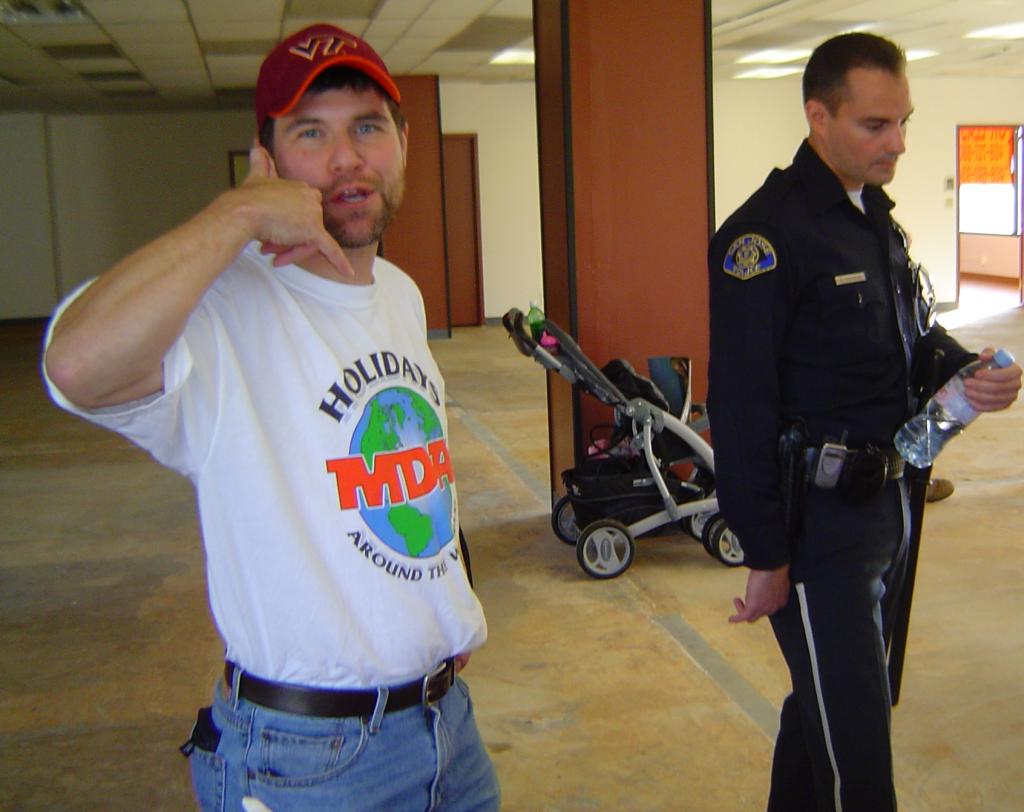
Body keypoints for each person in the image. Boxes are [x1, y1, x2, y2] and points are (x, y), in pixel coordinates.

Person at [42, 23, 499, 812]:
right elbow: (75, 367)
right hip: (308, 761)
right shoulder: (221, 311)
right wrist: (237, 216)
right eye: (310, 133)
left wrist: (439, 611)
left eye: (367, 127)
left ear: (403, 144)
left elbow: (415, 479)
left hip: (446, 727)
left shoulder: (399, 293)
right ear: (268, 159)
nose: (346, 158)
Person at [707, 32, 1020, 811]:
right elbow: (740, 406)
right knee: (861, 764)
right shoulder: (765, 238)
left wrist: (965, 370)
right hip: (819, 531)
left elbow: (909, 338)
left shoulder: (873, 219)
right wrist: (765, 550)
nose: (899, 143)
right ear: (819, 116)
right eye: (876, 125)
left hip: (890, 505)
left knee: (829, 710)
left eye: (904, 122)